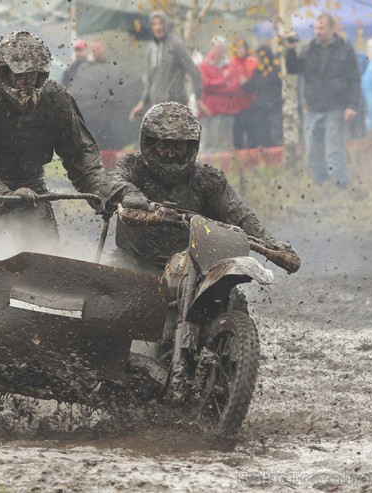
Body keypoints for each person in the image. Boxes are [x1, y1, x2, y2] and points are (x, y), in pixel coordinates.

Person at [110, 102, 296, 400]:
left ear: (192, 148)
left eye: (180, 147)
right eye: (165, 146)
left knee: (232, 297)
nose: (172, 153)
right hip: (134, 261)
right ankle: (104, 370)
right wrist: (132, 198)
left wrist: (271, 244)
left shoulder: (207, 180)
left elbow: (239, 215)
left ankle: (229, 370)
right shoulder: (132, 169)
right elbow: (112, 182)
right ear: (149, 144)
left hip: (191, 266)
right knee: (107, 297)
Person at [0, 30, 147, 251]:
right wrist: (3, 196)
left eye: (33, 75)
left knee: (48, 262)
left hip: (32, 189)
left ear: (43, 75)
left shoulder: (56, 100)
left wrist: (115, 192)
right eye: (19, 76)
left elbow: (82, 159)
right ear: (3, 73)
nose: (26, 82)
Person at [284, 13, 361, 188]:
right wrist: (290, 49)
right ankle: (320, 188)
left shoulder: (345, 50)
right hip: (312, 108)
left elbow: (354, 80)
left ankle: (340, 189)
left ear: (332, 29)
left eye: (322, 28)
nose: (318, 32)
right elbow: (293, 69)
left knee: (334, 152)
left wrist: (352, 105)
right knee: (312, 153)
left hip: (336, 108)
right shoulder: (308, 49)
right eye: (316, 28)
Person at [128, 11, 203, 121]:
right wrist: (142, 102)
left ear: (166, 24)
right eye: (154, 24)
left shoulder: (177, 45)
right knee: (159, 137)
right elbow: (149, 79)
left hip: (176, 104)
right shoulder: (151, 49)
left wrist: (199, 98)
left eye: (160, 23)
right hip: (157, 105)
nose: (158, 27)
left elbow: (194, 71)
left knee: (174, 136)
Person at [67, 39, 135, 150]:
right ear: (90, 50)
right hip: (89, 116)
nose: (96, 51)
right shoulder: (84, 68)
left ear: (103, 49)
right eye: (94, 48)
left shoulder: (111, 67)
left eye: (98, 48)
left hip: (111, 120)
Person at [197, 36, 240, 153]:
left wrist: (213, 87)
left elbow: (234, 86)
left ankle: (227, 170)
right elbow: (204, 84)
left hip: (227, 110)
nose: (218, 50)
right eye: (216, 47)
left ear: (225, 49)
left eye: (221, 47)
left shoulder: (232, 65)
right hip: (209, 110)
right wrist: (223, 82)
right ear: (211, 49)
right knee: (209, 143)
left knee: (226, 143)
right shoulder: (204, 65)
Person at [242, 45, 283, 148]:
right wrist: (244, 83)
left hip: (275, 105)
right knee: (262, 133)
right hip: (261, 106)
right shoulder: (259, 70)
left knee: (275, 134)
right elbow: (252, 86)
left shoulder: (276, 69)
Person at [230, 37, 259, 149]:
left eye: (242, 47)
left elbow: (257, 81)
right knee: (238, 136)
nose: (240, 50)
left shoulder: (253, 61)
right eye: (237, 48)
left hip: (252, 104)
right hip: (236, 106)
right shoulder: (232, 63)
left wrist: (247, 83)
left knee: (252, 135)